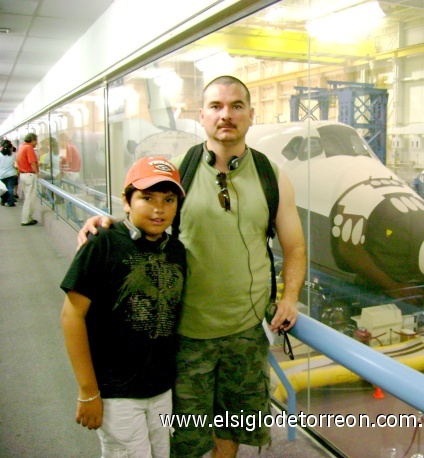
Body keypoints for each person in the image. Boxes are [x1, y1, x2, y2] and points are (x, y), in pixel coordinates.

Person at [78, 75, 307, 457]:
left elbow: (295, 246)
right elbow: (151, 213)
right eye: (216, 106)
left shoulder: (272, 177)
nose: (226, 115)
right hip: (185, 333)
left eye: (236, 106)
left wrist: (291, 297)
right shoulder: (181, 173)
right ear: (201, 116)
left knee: (230, 425)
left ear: (251, 115)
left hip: (246, 333)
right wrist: (107, 224)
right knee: (184, 436)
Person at [61, 156, 187, 457]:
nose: (159, 208)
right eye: (147, 198)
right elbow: (71, 316)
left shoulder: (175, 250)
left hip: (160, 388)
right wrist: (88, 391)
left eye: (168, 199)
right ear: (126, 201)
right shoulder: (102, 244)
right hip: (117, 391)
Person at [15, 132, 39, 226]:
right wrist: (37, 173)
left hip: (23, 175)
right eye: (36, 141)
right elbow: (32, 162)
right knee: (30, 198)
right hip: (29, 175)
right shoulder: (29, 148)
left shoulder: (22, 147)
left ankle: (29, 218)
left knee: (27, 197)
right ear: (32, 140)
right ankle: (26, 219)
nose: (36, 143)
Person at [0, 139, 18, 207]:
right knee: (10, 188)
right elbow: (16, 164)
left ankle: (3, 201)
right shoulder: (14, 155)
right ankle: (11, 202)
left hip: (2, 174)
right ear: (10, 148)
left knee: (3, 188)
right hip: (11, 173)